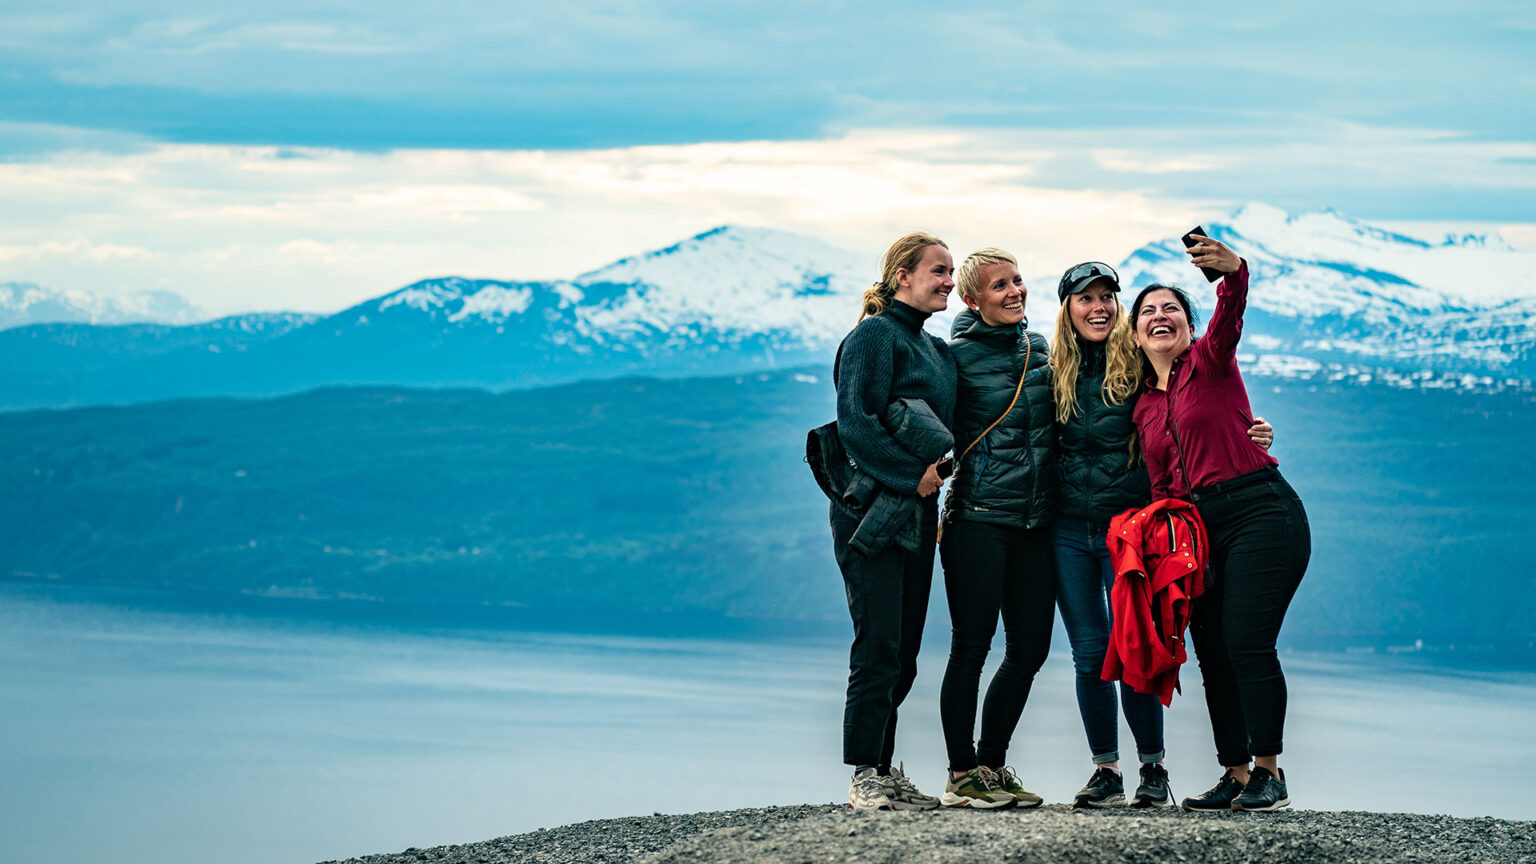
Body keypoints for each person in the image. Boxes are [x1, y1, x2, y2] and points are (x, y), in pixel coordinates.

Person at [1049, 261, 1275, 809]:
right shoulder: (1043, 368)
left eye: (1108, 297)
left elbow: (1193, 417)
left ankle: (1154, 769)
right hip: (1065, 530)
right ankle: (1107, 770)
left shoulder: (1140, 373)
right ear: (1067, 310)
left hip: (1131, 530)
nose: (1099, 306)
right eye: (1086, 298)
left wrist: (1250, 433)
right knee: (1088, 653)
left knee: (1137, 648)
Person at [1128, 234, 1310, 813]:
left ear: (1187, 325)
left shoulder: (1210, 361)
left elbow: (1230, 312)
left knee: (1247, 641)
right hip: (1196, 532)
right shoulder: (1142, 407)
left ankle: (1269, 772)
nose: (1161, 317)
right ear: (1135, 334)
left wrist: (1234, 272)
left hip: (1260, 510)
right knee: (1210, 649)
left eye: (1172, 310)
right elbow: (1160, 486)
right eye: (1149, 312)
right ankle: (1234, 774)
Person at [830, 231, 957, 811]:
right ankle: (864, 775)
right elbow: (856, 425)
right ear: (902, 275)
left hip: (918, 514)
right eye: (938, 271)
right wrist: (914, 479)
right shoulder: (874, 335)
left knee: (903, 651)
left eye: (952, 272)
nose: (948, 281)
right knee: (878, 644)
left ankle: (883, 768)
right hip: (871, 514)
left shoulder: (934, 350)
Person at [935, 247, 1054, 810]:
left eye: (1019, 281)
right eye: (1000, 285)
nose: (1016, 292)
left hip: (1035, 524)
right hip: (977, 521)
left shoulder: (1041, 349)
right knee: (971, 648)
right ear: (971, 298)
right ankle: (962, 774)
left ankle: (992, 764)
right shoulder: (952, 358)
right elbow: (923, 425)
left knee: (1030, 648)